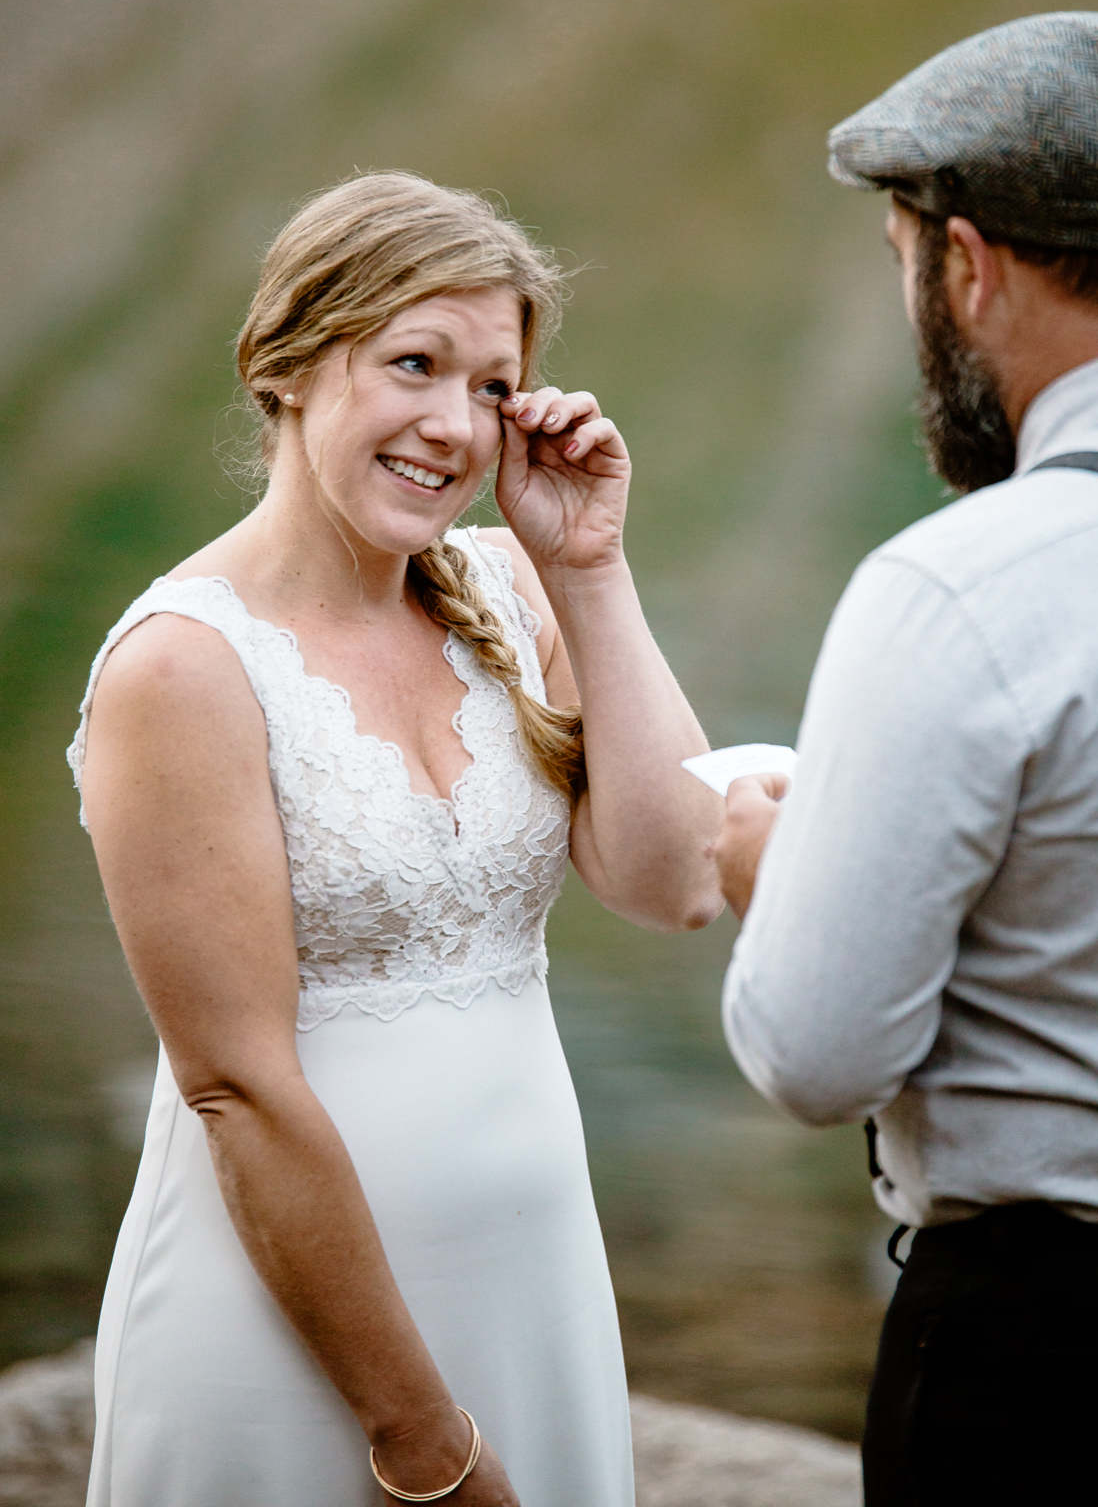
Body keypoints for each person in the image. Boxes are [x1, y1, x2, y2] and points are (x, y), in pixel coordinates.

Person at [69, 172, 723, 1506]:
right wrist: (419, 1438)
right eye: (412, 365)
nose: (453, 426)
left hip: (530, 1288)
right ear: (291, 367)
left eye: (492, 386)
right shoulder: (184, 667)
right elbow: (235, 1085)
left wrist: (591, 569)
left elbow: (676, 882)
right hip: (296, 1337)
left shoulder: (511, 583)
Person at [711, 12, 1098, 1507]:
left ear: (965, 267)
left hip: (1043, 1357)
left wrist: (766, 869)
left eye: (904, 265)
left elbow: (816, 1050)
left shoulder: (961, 586)